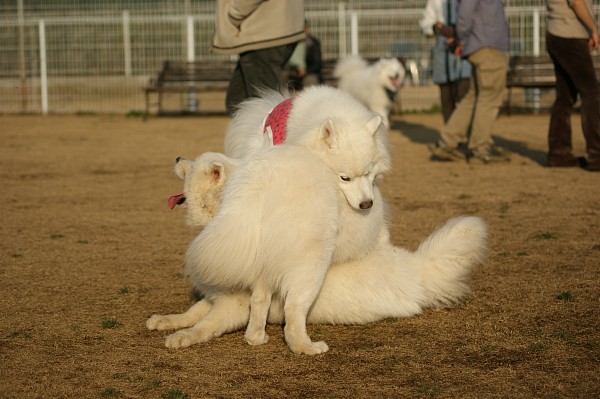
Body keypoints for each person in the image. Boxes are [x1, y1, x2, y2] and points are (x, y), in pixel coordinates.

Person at [428, 0, 510, 163]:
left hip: (480, 45)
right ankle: (480, 147)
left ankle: (447, 143)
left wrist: (462, 38)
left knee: (473, 97)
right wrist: (460, 37)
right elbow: (465, 15)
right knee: (490, 97)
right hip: (487, 46)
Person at [211, 0, 305, 116]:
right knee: (237, 101)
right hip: (279, 30)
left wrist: (235, 13)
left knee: (261, 109)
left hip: (262, 34)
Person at [545, 0, 600, 171]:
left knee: (565, 96)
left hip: (555, 33)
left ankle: (559, 153)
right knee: (591, 94)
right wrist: (593, 28)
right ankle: (597, 154)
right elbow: (576, 2)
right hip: (570, 35)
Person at [419, 0, 471, 123]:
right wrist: (435, 27)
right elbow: (426, 22)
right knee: (446, 100)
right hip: (443, 55)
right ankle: (450, 136)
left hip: (463, 55)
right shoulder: (434, 1)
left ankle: (467, 134)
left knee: (465, 97)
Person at [284, 21, 323, 91]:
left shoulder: (313, 43)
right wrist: (295, 68)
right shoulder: (288, 43)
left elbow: (317, 64)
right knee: (283, 77)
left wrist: (305, 71)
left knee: (311, 80)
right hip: (291, 71)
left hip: (308, 73)